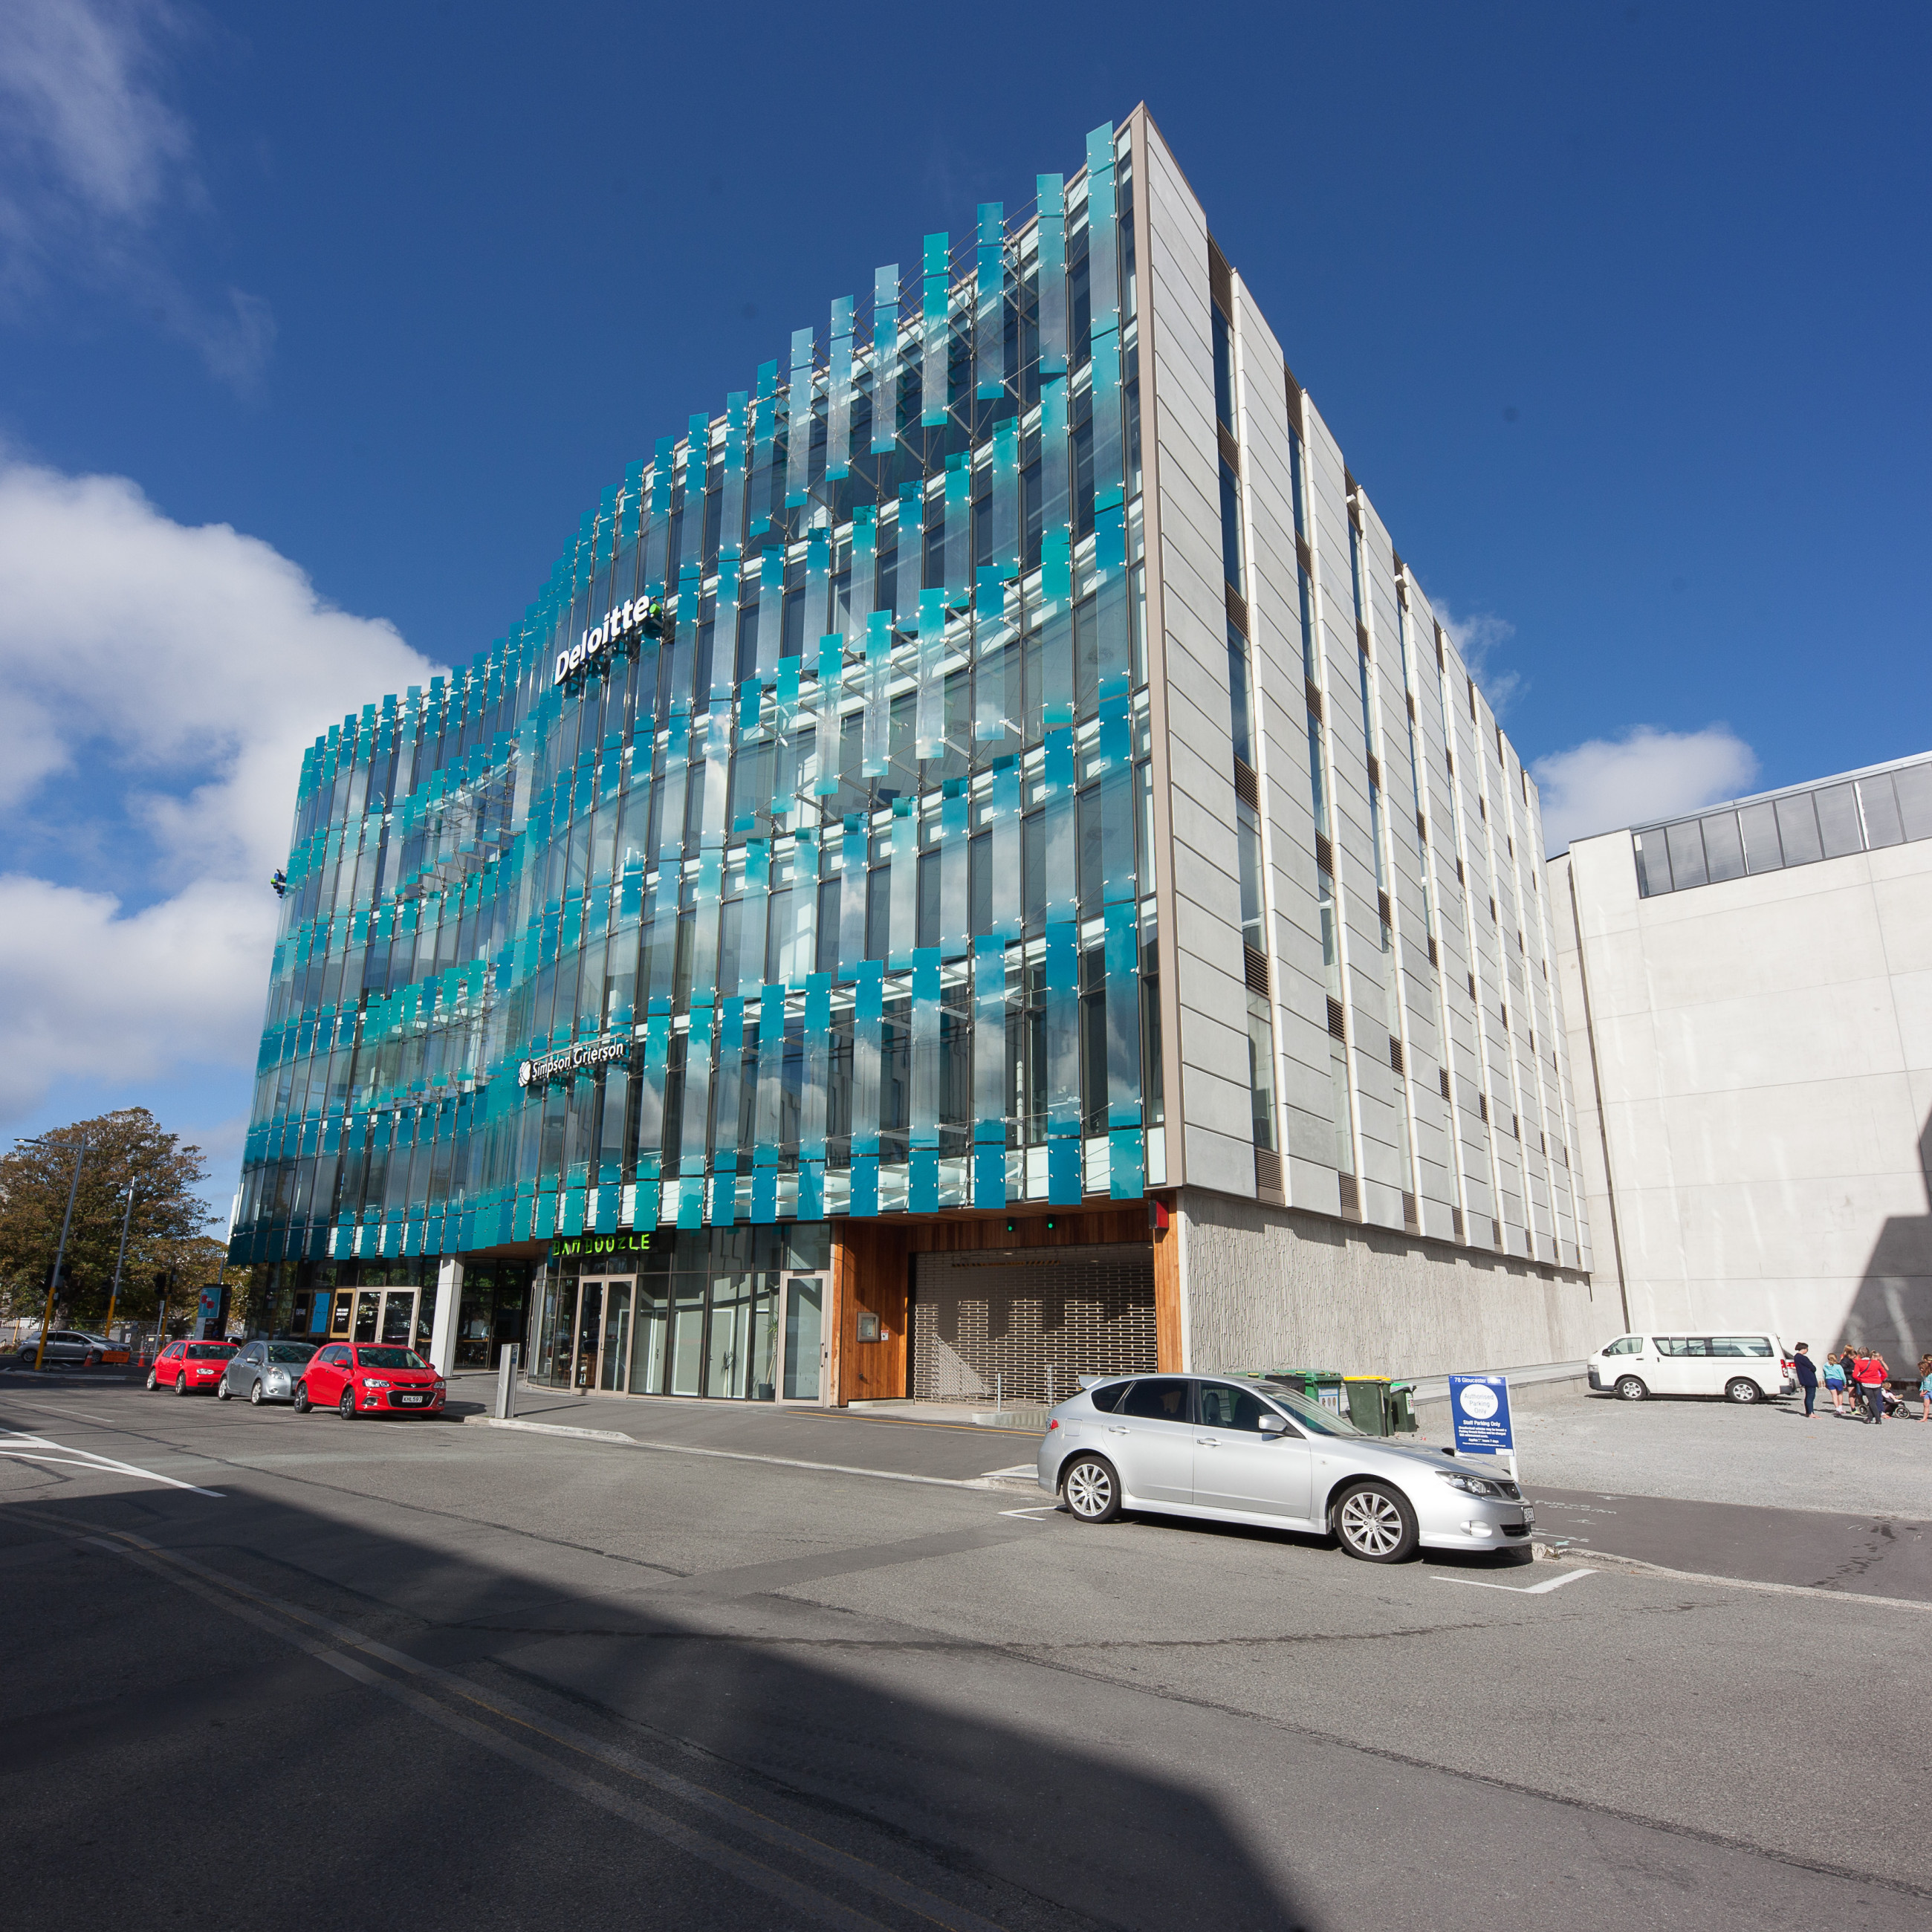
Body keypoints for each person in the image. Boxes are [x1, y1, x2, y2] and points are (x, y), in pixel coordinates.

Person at [1851, 1346, 1888, 1424]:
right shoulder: (1876, 1362)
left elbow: (1854, 1375)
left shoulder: (1859, 1363)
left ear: (1859, 1355)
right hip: (1877, 1384)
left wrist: (1860, 1380)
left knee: (1872, 1401)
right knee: (1873, 1401)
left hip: (1866, 1384)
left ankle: (1878, 1419)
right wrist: (1879, 1380)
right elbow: (1884, 1374)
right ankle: (1870, 1418)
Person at [1791, 1343, 1819, 1417]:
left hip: (1803, 1378)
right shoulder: (1803, 1358)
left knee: (1807, 1396)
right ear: (1803, 1349)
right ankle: (1811, 1413)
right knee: (1811, 1396)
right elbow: (1813, 1367)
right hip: (1809, 1378)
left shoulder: (1796, 1357)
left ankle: (1808, 1412)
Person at [1824, 1350, 1849, 1416]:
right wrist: (1845, 1382)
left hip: (1829, 1380)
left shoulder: (1825, 1366)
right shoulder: (1838, 1366)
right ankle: (1840, 1408)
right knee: (1840, 1394)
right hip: (1838, 1380)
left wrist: (1825, 1382)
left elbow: (1824, 1375)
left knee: (1834, 1395)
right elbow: (1842, 1375)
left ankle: (1837, 1409)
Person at [1918, 1355, 1932, 1424]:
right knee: (1925, 1405)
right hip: (1926, 1392)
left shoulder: (1931, 1375)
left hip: (1930, 1391)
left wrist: (1927, 1390)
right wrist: (1922, 1390)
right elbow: (1923, 1383)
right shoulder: (1924, 1375)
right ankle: (1924, 1418)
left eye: (1922, 1368)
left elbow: (1931, 1384)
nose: (1921, 1370)